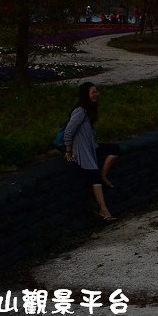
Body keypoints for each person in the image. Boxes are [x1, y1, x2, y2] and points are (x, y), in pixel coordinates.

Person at [63, 82, 120, 221]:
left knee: (115, 149)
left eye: (96, 92)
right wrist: (68, 151)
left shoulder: (88, 111)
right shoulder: (80, 111)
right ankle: (104, 210)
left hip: (91, 147)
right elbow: (68, 133)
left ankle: (103, 175)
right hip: (82, 150)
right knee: (94, 177)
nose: (96, 95)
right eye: (93, 92)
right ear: (86, 94)